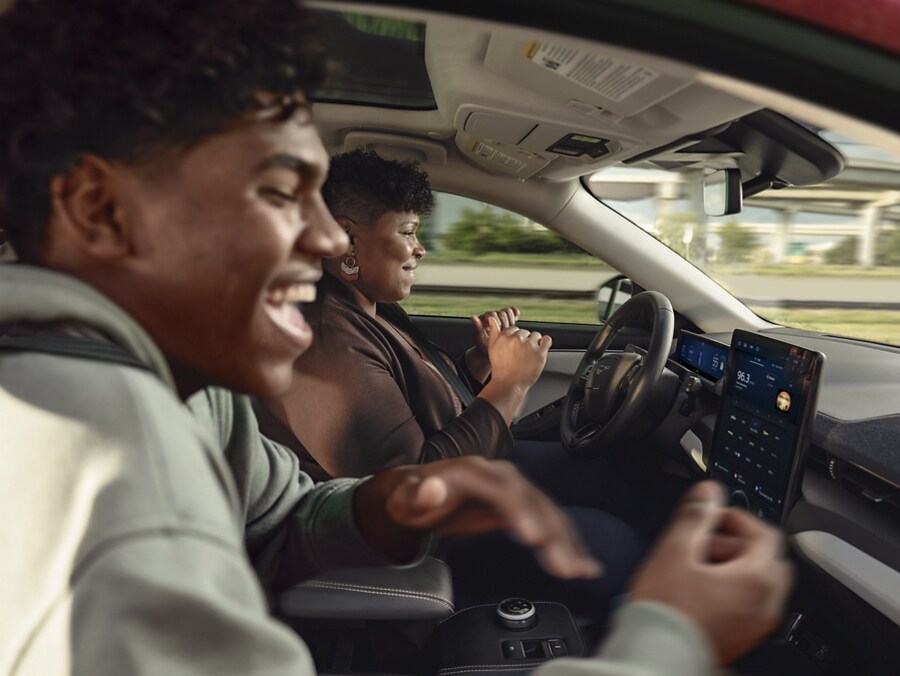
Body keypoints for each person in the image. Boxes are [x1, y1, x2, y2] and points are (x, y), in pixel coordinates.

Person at [0, 1, 791, 674]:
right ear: (101, 211)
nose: (321, 240)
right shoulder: (91, 461)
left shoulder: (186, 391)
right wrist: (668, 638)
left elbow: (282, 521)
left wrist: (393, 504)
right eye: (280, 192)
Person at [256, 149, 653, 613]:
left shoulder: (370, 308)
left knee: (594, 473)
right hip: (429, 539)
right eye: (407, 232)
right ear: (347, 240)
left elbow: (412, 402)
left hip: (462, 478)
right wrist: (510, 385)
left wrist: (478, 363)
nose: (420, 248)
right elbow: (415, 483)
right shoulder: (323, 338)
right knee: (613, 546)